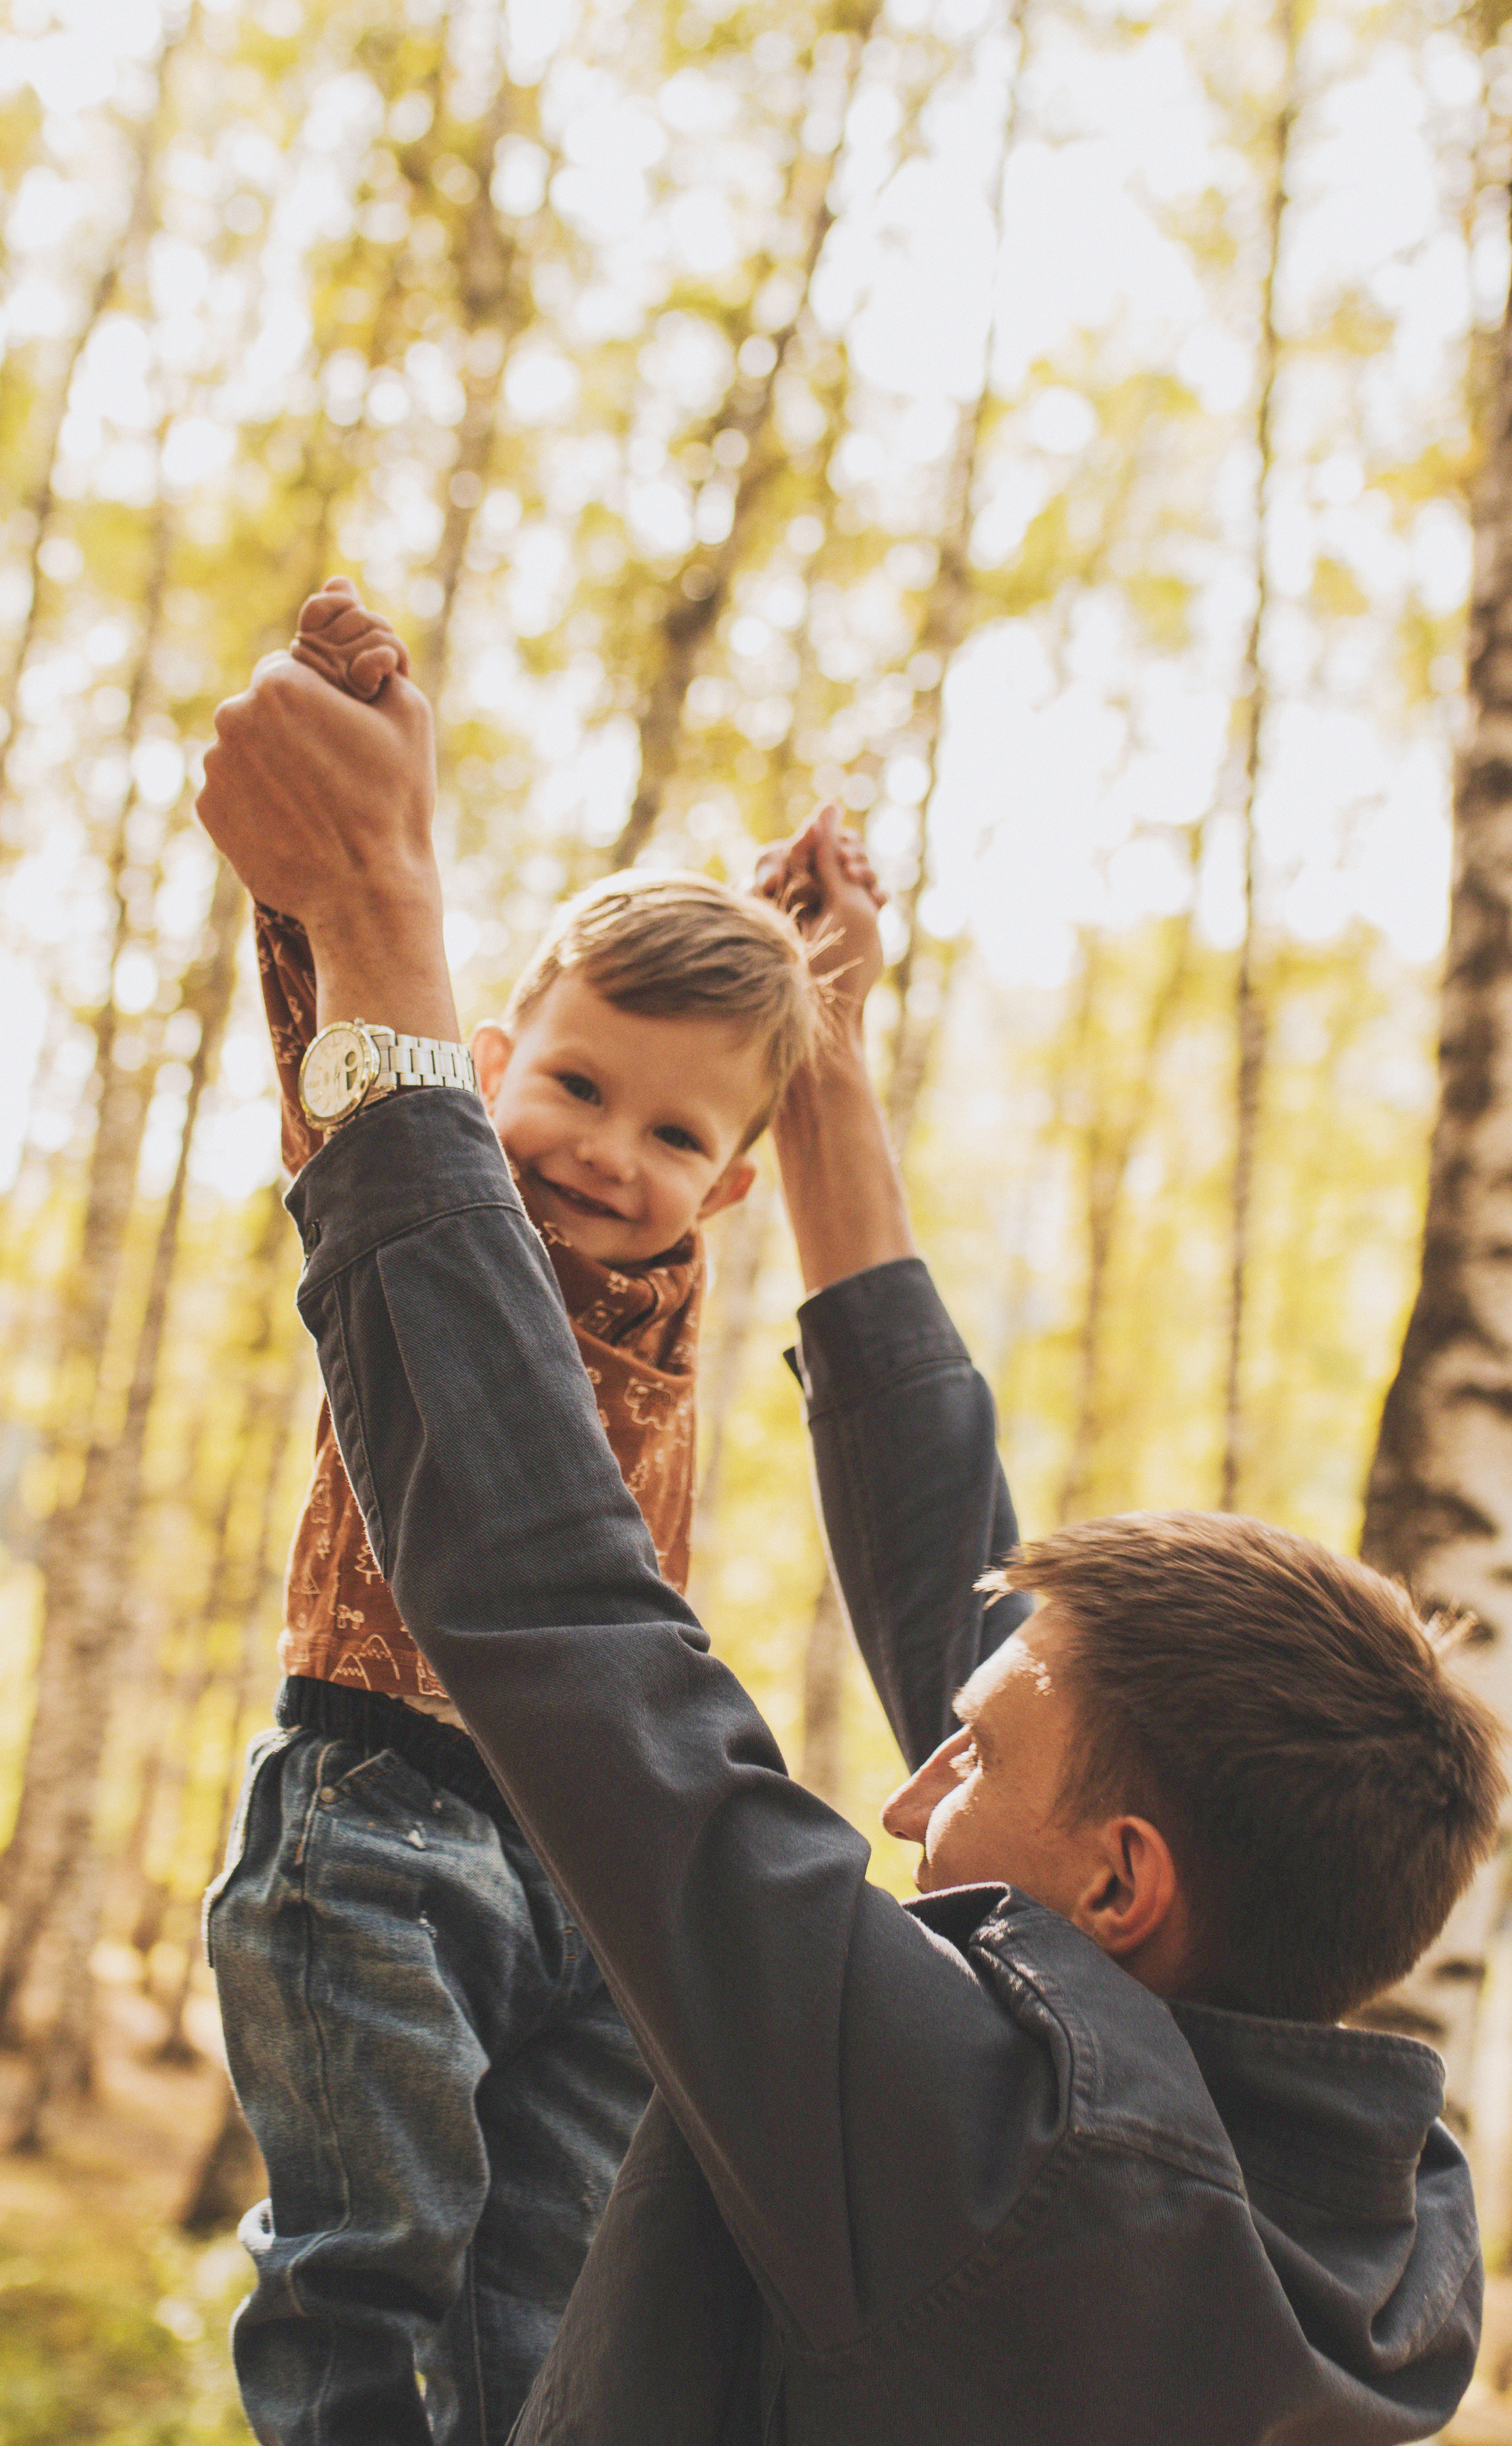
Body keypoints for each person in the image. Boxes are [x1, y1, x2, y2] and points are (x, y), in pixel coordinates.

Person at [195, 630, 1505, 2445]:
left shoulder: (987, 2159)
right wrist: (823, 1081)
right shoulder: (1365, 2225)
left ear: (1123, 1886)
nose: (904, 1797)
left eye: (968, 1759)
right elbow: (959, 1588)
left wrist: (375, 920)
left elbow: (574, 1636)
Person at [206, 583, 874, 2445]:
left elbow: (757, 1066)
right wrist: (331, 836)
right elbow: (340, 1036)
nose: (607, 1152)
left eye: (673, 1138)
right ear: (488, 1063)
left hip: (588, 1864)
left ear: (730, 1195)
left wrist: (798, 945)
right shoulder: (429, 1205)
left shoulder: (665, 1287)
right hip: (377, 1818)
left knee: (561, 2279)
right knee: (377, 2251)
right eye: (575, 1086)